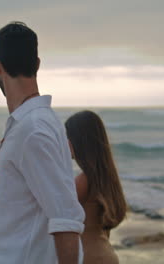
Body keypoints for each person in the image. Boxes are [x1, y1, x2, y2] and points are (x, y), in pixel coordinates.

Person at [0, 22, 85, 264]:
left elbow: (66, 217)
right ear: (37, 64)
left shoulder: (32, 131)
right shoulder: (39, 123)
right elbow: (22, 196)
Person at [65, 110, 127, 264]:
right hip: (106, 255)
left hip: (88, 258)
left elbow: (49, 213)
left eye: (66, 136)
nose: (64, 142)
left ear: (77, 141)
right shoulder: (105, 179)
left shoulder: (83, 182)